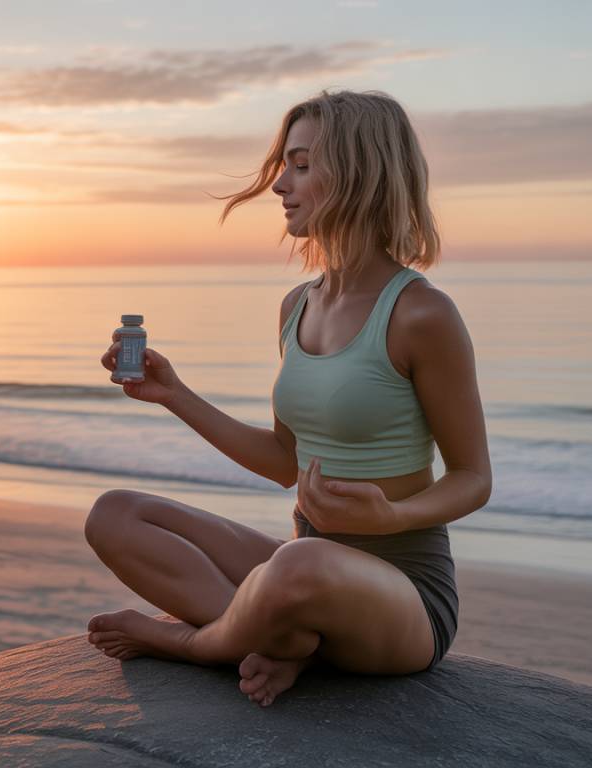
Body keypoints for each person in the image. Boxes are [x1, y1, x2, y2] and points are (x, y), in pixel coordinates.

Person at [83, 88, 492, 707]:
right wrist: (174, 395)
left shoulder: (421, 313)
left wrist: (392, 516)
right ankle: (280, 643)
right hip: (299, 569)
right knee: (115, 514)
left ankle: (193, 644)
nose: (280, 184)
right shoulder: (296, 306)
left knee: (299, 568)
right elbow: (283, 460)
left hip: (401, 596)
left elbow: (472, 477)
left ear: (359, 175)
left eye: (301, 165)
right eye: (285, 165)